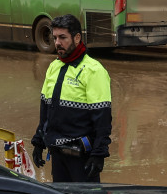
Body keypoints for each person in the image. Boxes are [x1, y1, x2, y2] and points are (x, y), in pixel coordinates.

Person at [31, 14, 112, 182]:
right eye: (54, 38)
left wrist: (98, 154)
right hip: (57, 154)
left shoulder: (94, 70)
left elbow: (102, 118)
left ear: (77, 38)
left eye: (63, 37)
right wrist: (39, 141)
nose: (57, 43)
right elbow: (46, 110)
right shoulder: (54, 67)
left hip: (82, 157)